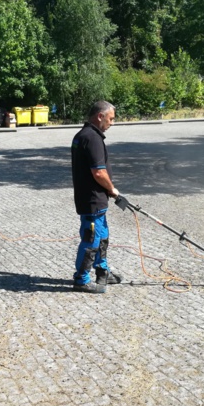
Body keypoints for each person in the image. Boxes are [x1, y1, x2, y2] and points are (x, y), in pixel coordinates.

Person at [71, 101, 123, 293]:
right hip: (91, 200)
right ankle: (81, 280)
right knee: (91, 240)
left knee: (102, 237)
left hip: (96, 200)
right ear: (100, 116)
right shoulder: (91, 138)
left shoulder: (83, 135)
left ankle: (102, 272)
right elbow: (99, 173)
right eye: (110, 118)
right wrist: (112, 189)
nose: (112, 123)